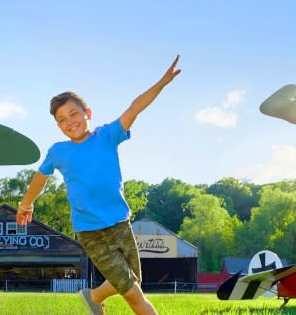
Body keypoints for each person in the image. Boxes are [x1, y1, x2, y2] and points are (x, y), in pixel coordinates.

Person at [16, 56, 181, 315]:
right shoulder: (59, 151)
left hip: (120, 224)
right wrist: (26, 203)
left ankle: (92, 296)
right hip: (91, 232)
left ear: (87, 113)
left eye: (74, 113)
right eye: (61, 119)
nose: (69, 121)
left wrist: (162, 82)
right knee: (135, 295)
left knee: (131, 280)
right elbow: (40, 177)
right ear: (57, 126)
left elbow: (134, 108)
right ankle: (98, 298)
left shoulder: (107, 135)